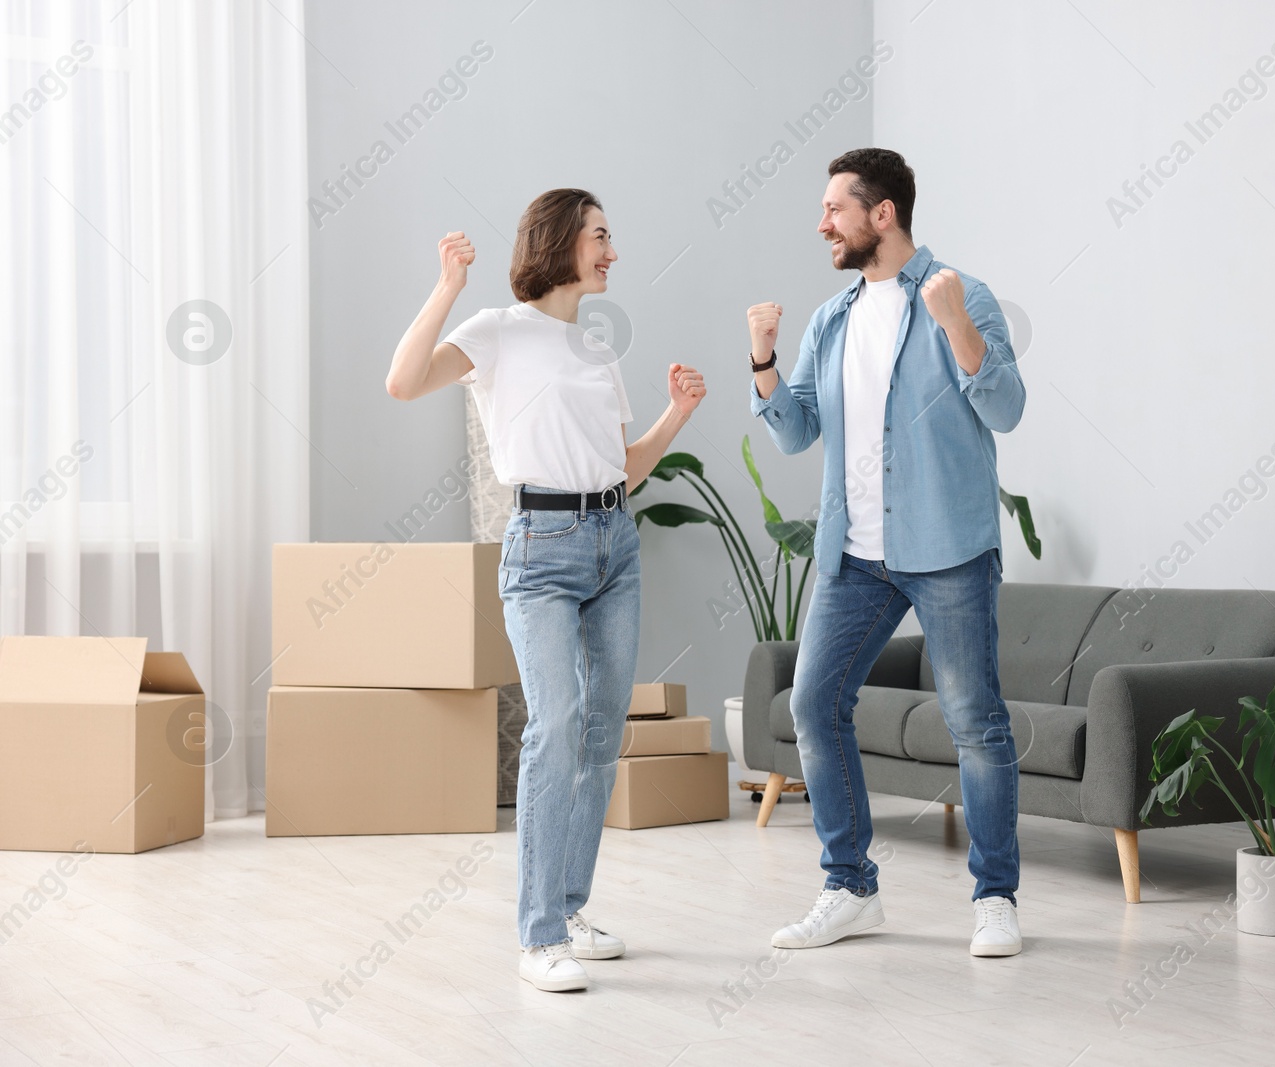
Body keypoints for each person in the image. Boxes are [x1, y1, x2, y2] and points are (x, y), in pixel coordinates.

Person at [386, 188, 705, 991]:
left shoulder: (596, 347)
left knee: (601, 733)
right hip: (543, 551)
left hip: (615, 545)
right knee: (554, 725)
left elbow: (623, 466)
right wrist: (448, 287)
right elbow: (403, 380)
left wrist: (676, 415)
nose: (612, 250)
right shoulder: (495, 331)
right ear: (562, 239)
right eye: (601, 235)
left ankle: (567, 909)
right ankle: (536, 937)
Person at [747, 148, 1026, 957]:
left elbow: (1006, 408)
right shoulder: (832, 318)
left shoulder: (960, 295)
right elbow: (798, 430)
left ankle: (995, 897)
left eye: (836, 207)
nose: (822, 222)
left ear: (883, 214)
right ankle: (849, 886)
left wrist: (958, 329)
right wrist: (763, 361)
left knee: (976, 722)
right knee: (813, 704)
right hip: (856, 556)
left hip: (947, 548)